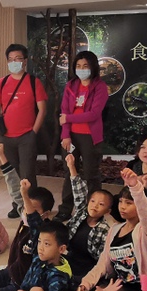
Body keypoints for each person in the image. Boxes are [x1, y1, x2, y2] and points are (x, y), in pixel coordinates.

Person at [78, 169, 147, 291]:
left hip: (139, 289)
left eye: (129, 203)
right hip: (116, 285)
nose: (122, 206)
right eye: (121, 201)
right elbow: (103, 263)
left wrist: (136, 187)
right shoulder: (115, 229)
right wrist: (87, 283)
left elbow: (146, 214)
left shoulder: (146, 230)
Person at [0, 44, 47, 219]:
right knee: (11, 172)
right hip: (6, 136)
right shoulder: (2, 82)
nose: (14, 62)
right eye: (10, 59)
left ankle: (33, 205)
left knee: (28, 172)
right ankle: (17, 204)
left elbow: (42, 109)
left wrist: (33, 133)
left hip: (26, 137)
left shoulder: (33, 82)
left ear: (25, 61)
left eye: (18, 59)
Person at [57, 50, 109, 220]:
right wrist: (65, 135)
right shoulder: (71, 85)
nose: (81, 69)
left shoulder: (100, 87)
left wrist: (68, 118)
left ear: (93, 67)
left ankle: (93, 209)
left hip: (90, 137)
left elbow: (94, 114)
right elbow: (64, 112)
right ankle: (65, 208)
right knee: (69, 171)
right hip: (71, 136)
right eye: (78, 66)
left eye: (85, 66)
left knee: (90, 173)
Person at [62, 151, 113, 291]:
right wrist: (71, 166)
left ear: (108, 211)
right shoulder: (80, 213)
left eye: (101, 204)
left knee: (79, 289)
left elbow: (103, 261)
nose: (95, 206)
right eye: (92, 201)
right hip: (69, 259)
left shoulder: (104, 229)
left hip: (87, 268)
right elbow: (78, 190)